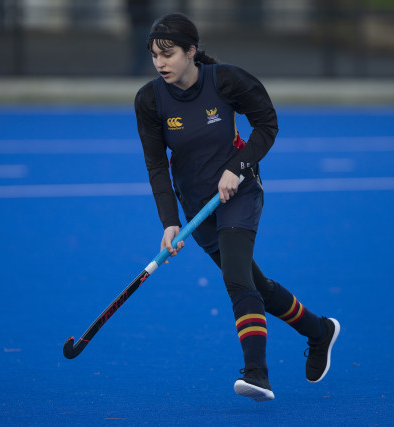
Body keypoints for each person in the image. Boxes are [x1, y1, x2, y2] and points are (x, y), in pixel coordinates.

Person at [134, 13, 340, 402]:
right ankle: (319, 331)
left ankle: (257, 373)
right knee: (255, 285)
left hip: (239, 194)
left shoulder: (226, 80)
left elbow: (267, 125)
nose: (160, 62)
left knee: (236, 279)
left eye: (168, 53)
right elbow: (157, 166)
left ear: (191, 51)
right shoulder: (149, 99)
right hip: (197, 207)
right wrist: (170, 222)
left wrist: (237, 167)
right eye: (154, 55)